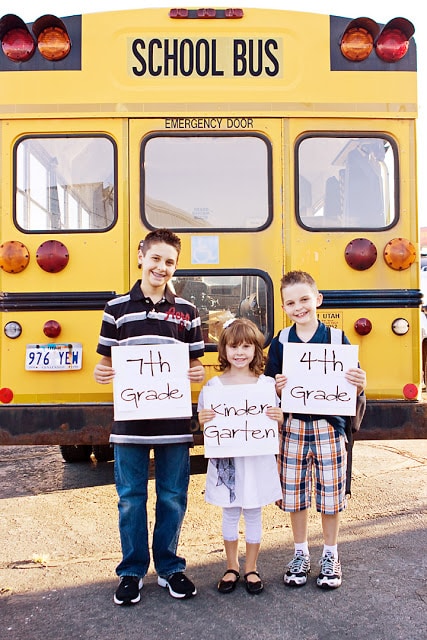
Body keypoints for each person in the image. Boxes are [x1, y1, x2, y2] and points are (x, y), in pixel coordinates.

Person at [94, 229, 205, 606]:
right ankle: (132, 571)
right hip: (129, 425)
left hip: (174, 425)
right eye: (156, 258)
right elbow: (105, 363)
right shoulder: (116, 308)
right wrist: (100, 372)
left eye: (170, 262)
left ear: (176, 267)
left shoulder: (187, 311)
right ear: (141, 255)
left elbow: (196, 365)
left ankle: (171, 567)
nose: (162, 267)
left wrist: (197, 373)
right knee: (130, 498)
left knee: (173, 497)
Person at [265, 270, 366, 590]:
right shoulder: (281, 341)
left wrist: (361, 383)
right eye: (291, 302)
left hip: (329, 427)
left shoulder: (337, 339)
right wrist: (277, 388)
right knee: (294, 495)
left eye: (305, 299)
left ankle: (330, 554)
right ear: (283, 307)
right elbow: (269, 387)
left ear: (318, 300)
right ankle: (299, 552)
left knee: (331, 496)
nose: (299, 307)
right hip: (293, 426)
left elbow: (354, 385)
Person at [198, 318, 283, 595]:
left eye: (246, 346)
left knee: (255, 511)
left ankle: (252, 567)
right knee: (231, 512)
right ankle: (232, 565)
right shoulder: (213, 388)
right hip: (229, 460)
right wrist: (203, 419)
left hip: (257, 458)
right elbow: (205, 422)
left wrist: (279, 416)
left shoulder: (266, 385)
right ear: (224, 350)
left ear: (256, 350)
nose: (239, 352)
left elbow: (277, 419)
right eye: (233, 346)